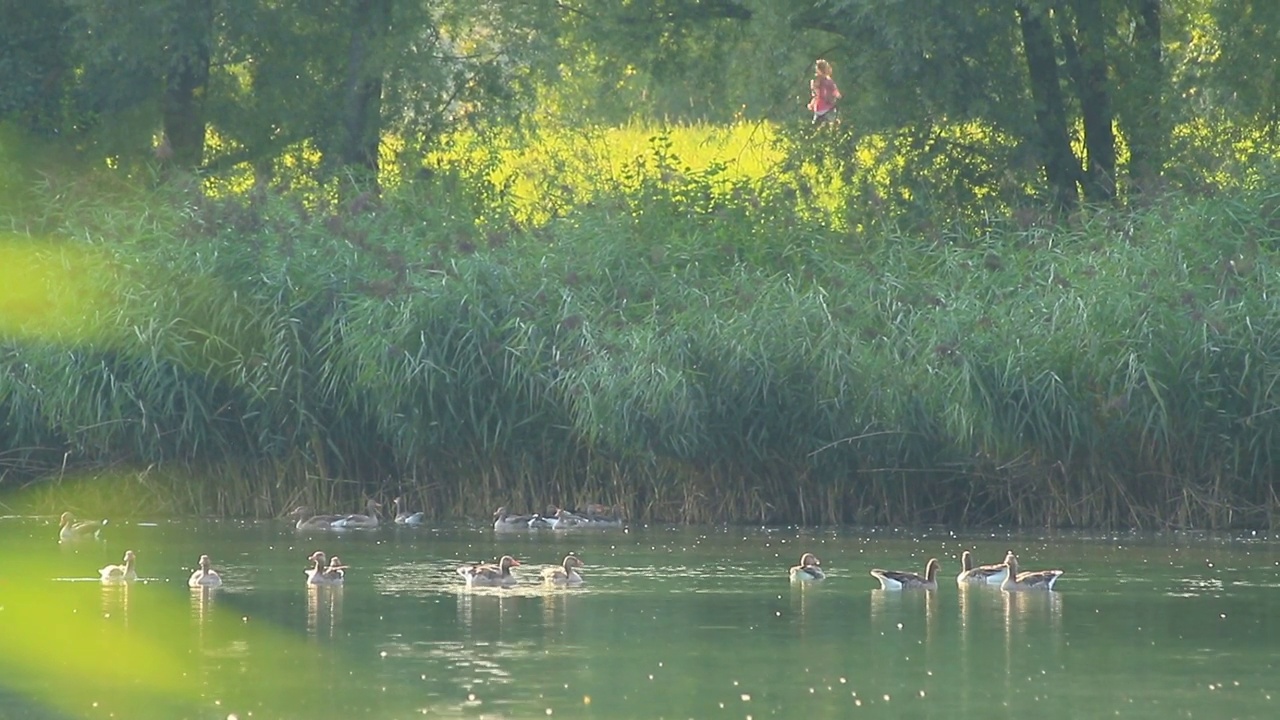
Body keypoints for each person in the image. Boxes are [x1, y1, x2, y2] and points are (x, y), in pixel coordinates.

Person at [808, 59, 842, 125]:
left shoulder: (815, 81)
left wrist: (811, 104)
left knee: (815, 127)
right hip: (828, 107)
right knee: (835, 122)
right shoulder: (829, 82)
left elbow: (816, 95)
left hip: (818, 109)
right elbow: (836, 93)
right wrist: (839, 96)